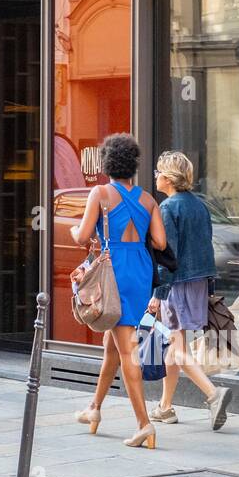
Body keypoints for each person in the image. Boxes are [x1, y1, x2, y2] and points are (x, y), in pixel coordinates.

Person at [69, 133, 166, 449]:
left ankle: (144, 425)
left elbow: (83, 235)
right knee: (113, 341)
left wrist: (73, 229)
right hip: (138, 270)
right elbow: (161, 243)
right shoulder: (149, 199)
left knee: (127, 350)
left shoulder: (99, 193)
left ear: (107, 163)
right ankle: (94, 408)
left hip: (114, 270)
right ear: (133, 165)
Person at [147, 151, 233, 430]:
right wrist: (209, 287)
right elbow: (206, 246)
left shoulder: (168, 209)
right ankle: (165, 407)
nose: (155, 176)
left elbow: (167, 256)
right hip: (197, 281)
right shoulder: (199, 206)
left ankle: (213, 394)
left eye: (158, 171)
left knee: (178, 346)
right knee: (176, 343)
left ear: (168, 178)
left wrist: (158, 295)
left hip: (177, 283)